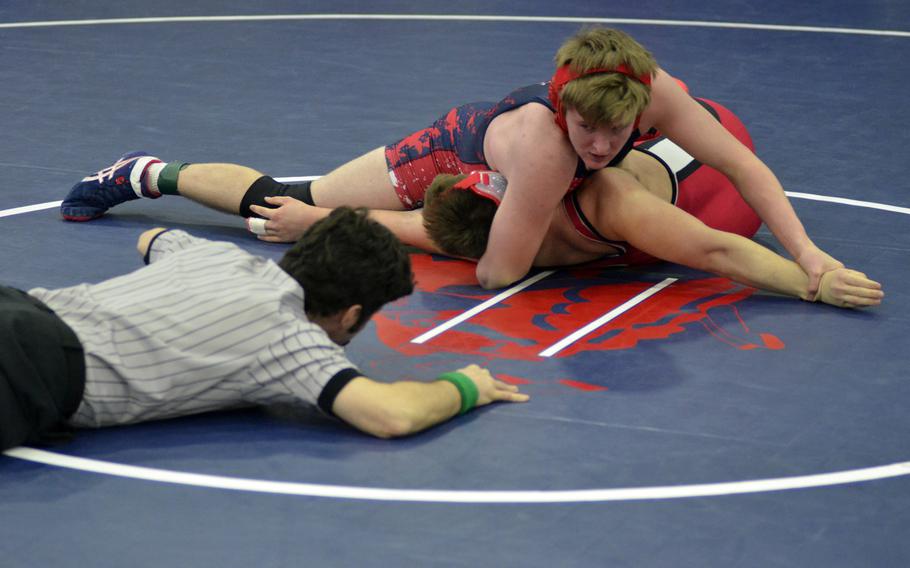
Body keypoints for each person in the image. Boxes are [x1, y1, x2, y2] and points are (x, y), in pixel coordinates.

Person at [60, 26, 841, 292]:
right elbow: (499, 273)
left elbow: (745, 168)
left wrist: (806, 252)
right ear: (563, 105)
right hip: (459, 146)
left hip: (505, 183)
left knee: (338, 217)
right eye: (585, 132)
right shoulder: (544, 154)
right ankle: (143, 172)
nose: (600, 148)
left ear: (643, 108)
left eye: (616, 133)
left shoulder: (660, 94)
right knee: (290, 201)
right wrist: (337, 217)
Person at [0, 208, 528, 451]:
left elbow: (154, 238)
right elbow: (389, 414)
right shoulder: (290, 341)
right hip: (29, 369)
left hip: (22, 306)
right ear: (350, 315)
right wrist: (467, 387)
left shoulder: (219, 257)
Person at [417, 101, 883, 308]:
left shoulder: (477, 242)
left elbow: (393, 224)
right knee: (660, 119)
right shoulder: (608, 201)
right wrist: (814, 282)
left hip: (670, 166)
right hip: (721, 201)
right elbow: (715, 251)